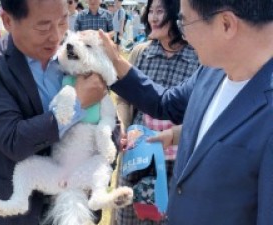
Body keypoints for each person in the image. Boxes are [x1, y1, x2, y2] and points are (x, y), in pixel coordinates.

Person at [100, 0, 273, 223]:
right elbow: (165, 103)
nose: (184, 34)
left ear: (226, 24)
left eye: (184, 21)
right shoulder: (213, 72)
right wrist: (112, 61)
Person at [0, 0, 106, 224]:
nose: (56, 36)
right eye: (43, 26)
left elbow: (102, 116)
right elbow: (14, 140)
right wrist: (78, 104)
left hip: (73, 206)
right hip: (12, 209)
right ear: (8, 20)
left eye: (63, 20)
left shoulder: (72, 56)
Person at [115, 0, 199, 224]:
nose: (152, 17)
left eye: (159, 11)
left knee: (166, 217)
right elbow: (124, 99)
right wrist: (122, 124)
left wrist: (175, 135)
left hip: (176, 161)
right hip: (137, 156)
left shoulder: (198, 58)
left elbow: (199, 111)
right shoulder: (140, 52)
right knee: (129, 216)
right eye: (149, 11)